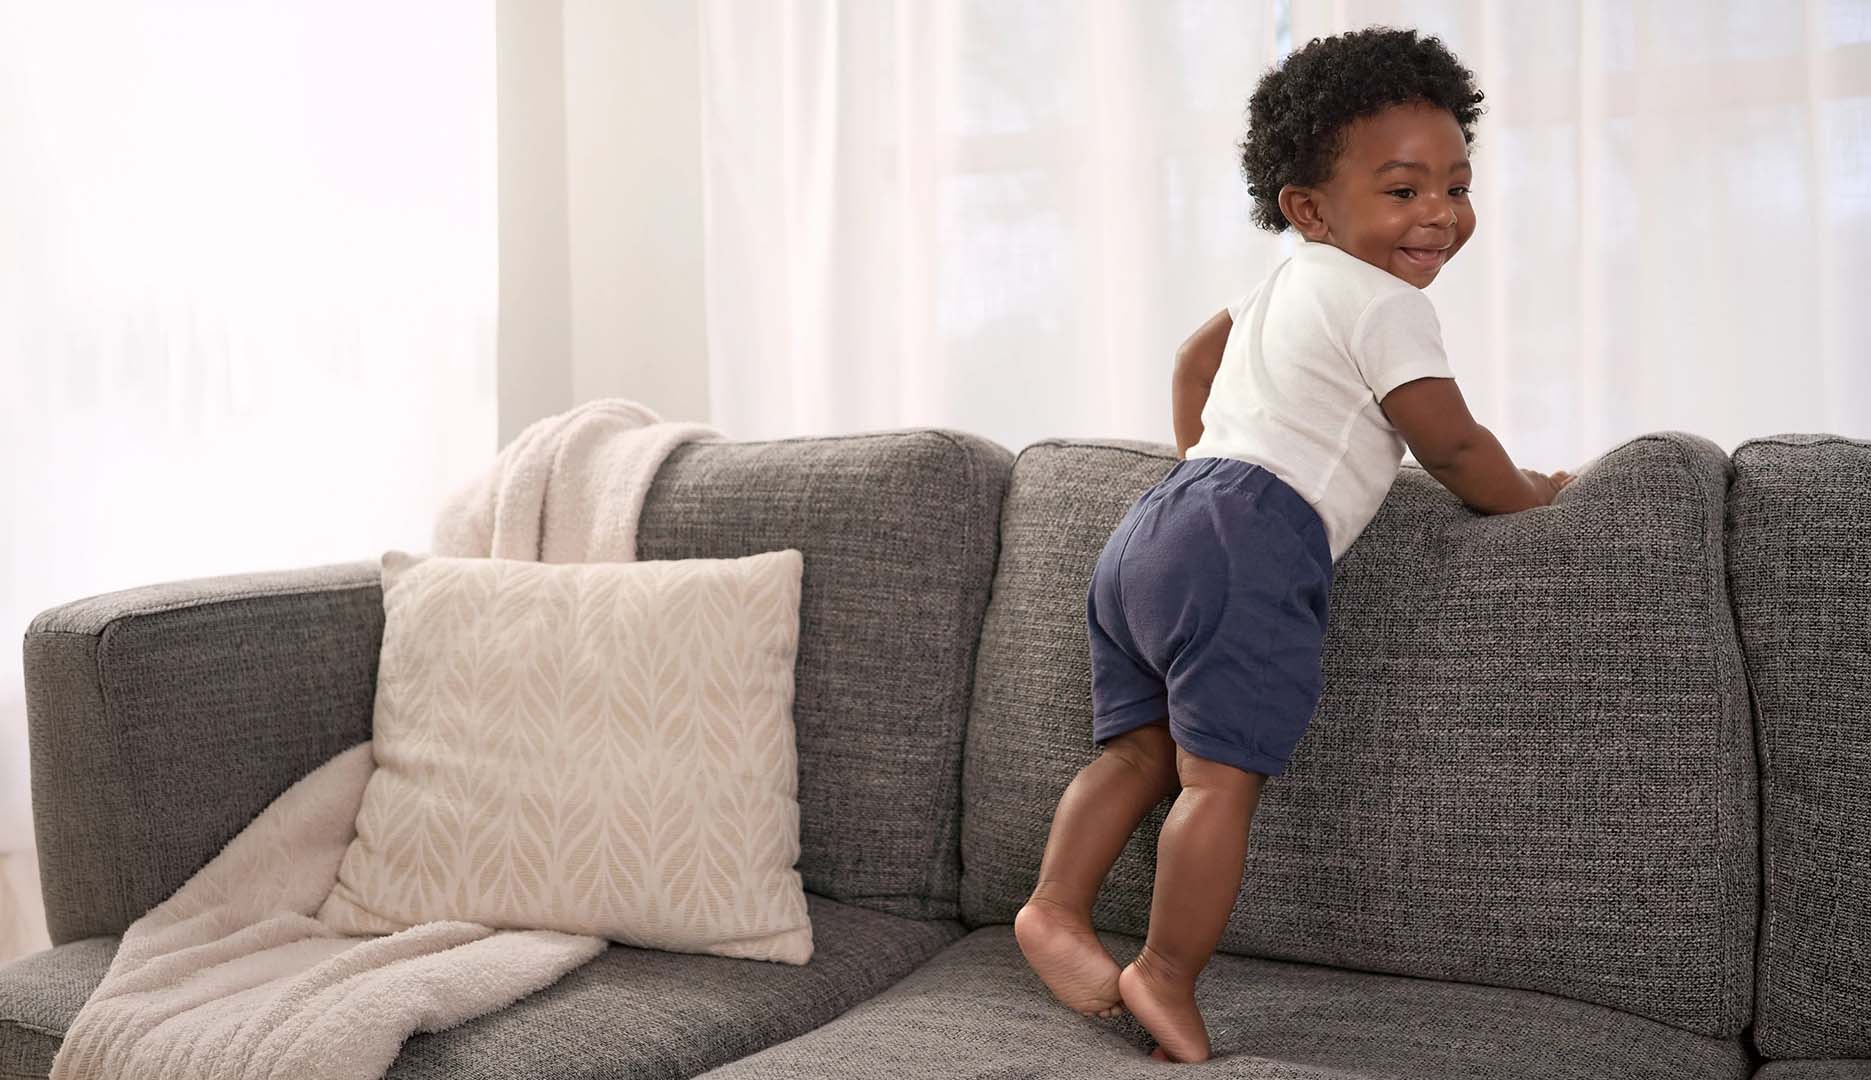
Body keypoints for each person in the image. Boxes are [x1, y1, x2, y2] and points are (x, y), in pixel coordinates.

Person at [1013, 26, 1577, 1063]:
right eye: (1402, 191)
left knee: (1135, 751)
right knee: (1215, 780)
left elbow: (1191, 360)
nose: (1441, 215)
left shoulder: (1287, 284)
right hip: (1246, 536)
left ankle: (1051, 908)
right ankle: (1164, 973)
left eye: (1454, 184)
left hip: (1153, 523)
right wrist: (1532, 494)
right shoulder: (1383, 303)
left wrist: (1200, 471)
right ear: (1308, 208)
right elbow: (1447, 443)